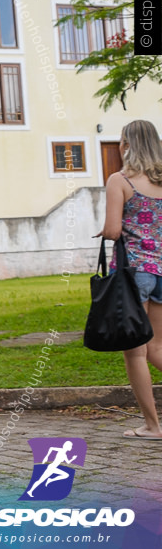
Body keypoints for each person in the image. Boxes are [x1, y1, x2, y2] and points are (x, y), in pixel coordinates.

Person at [101, 119, 162, 440]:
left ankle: (153, 426)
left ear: (128, 145)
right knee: (157, 348)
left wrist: (106, 231)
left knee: (136, 352)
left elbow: (113, 230)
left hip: (134, 273)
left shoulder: (120, 180)